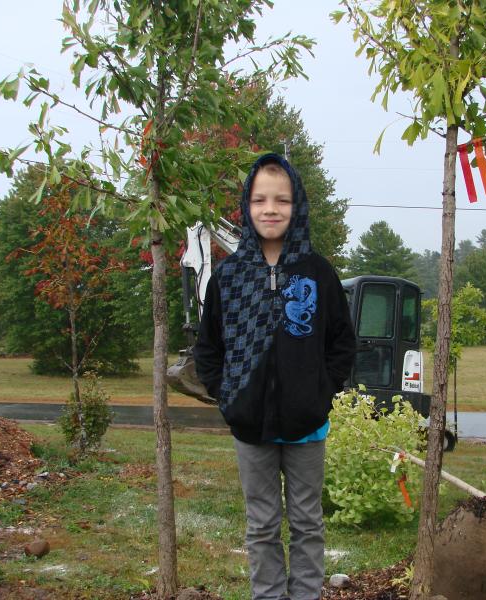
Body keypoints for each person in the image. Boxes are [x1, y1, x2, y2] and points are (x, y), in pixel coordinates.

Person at [194, 153, 356, 600]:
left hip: (308, 426)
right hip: (250, 427)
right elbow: (208, 349)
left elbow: (342, 343)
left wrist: (320, 392)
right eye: (260, 199)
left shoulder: (318, 272)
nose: (271, 209)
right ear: (246, 206)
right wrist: (227, 395)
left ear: (297, 205)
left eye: (282, 200)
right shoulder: (226, 277)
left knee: (307, 521)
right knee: (261, 524)